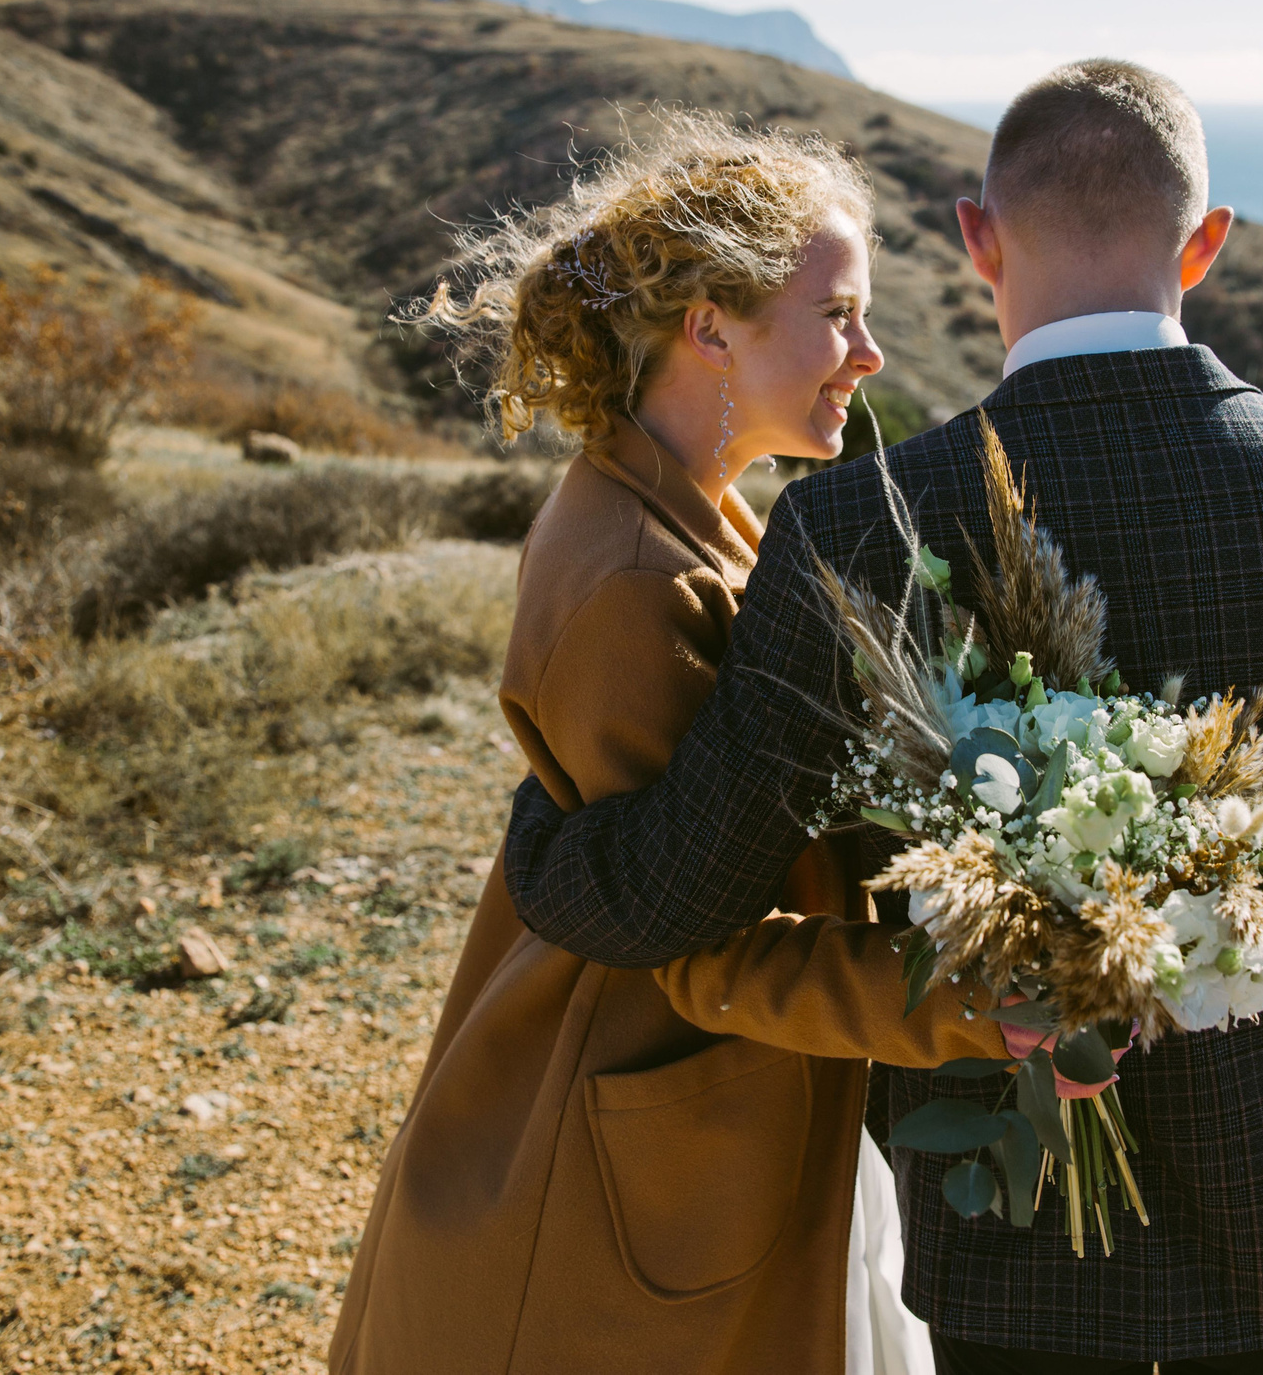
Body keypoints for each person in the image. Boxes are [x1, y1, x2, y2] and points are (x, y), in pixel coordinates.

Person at [502, 62, 1263, 1375]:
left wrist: (538, 834)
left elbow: (683, 887)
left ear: (978, 240)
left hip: (1009, 1207)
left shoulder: (857, 527)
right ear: (1204, 242)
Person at [327, 114, 1007, 1375]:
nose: (868, 354)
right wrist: (983, 1004)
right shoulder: (638, 577)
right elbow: (694, 941)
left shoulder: (689, 507)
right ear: (711, 328)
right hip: (630, 1120)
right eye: (837, 316)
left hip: (716, 1095)